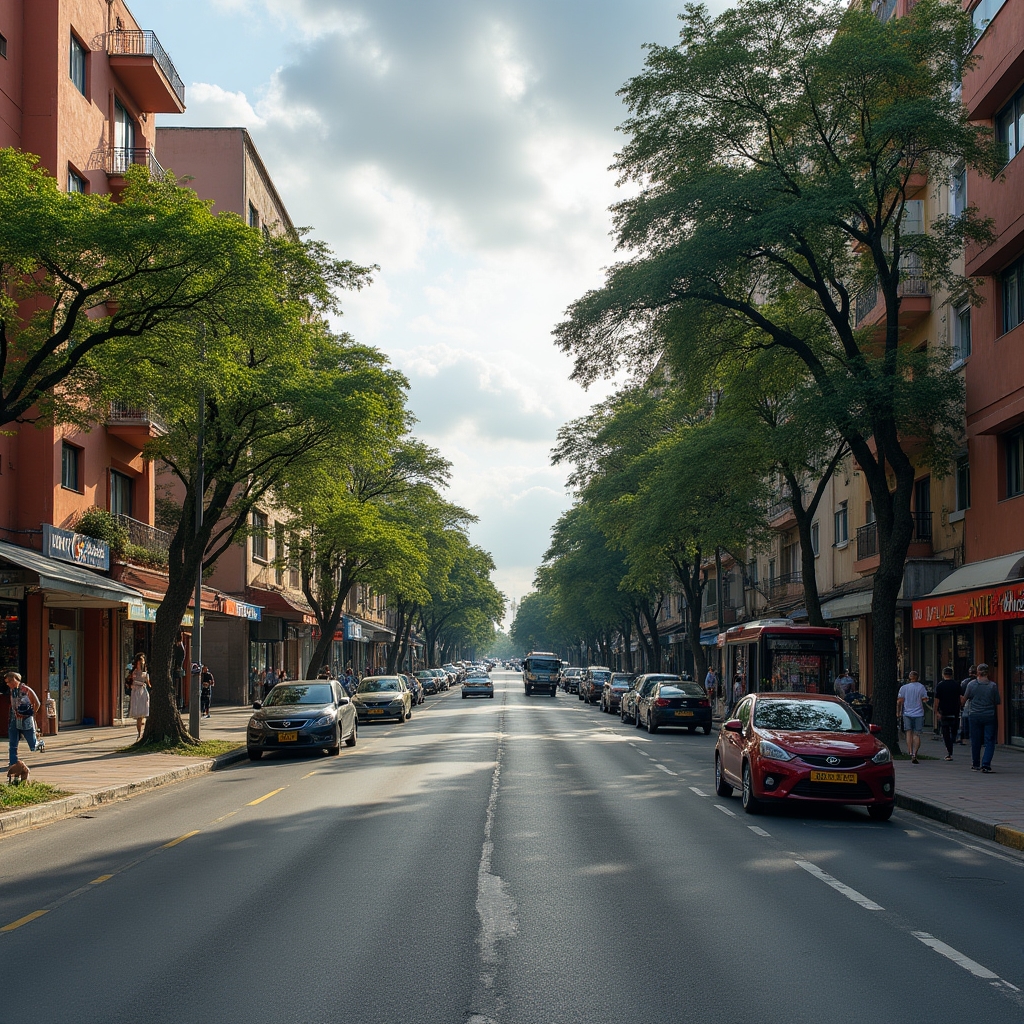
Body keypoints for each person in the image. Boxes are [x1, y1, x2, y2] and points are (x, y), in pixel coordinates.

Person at [963, 663, 1000, 773]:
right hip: (989, 715)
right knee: (990, 740)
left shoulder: (971, 685)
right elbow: (997, 701)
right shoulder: (992, 686)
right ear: (988, 672)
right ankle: (986, 764)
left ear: (977, 672)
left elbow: (965, 698)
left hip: (974, 715)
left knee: (975, 740)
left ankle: (975, 763)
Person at [6, 670, 43, 766]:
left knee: (33, 746)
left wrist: (32, 713)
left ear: (14, 680)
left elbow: (37, 703)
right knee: (13, 744)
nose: (8, 684)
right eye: (6, 682)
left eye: (9, 682)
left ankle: (40, 744)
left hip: (26, 719)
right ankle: (13, 763)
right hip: (14, 719)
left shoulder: (26, 689)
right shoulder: (12, 690)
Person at [896, 670, 929, 764]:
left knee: (908, 732)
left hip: (907, 713)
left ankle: (910, 751)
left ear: (909, 677)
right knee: (916, 734)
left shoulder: (904, 688)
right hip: (918, 713)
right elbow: (925, 699)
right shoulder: (921, 687)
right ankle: (915, 753)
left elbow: (899, 701)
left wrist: (898, 712)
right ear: (917, 677)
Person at [933, 666, 962, 761]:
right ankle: (952, 741)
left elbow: (937, 700)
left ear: (943, 674)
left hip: (944, 711)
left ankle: (949, 750)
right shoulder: (957, 685)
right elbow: (961, 698)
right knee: (954, 730)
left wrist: (936, 711)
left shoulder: (940, 685)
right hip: (955, 711)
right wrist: (960, 706)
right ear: (951, 675)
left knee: (945, 731)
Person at [127, 654, 151, 741]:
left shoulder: (145, 673)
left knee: (142, 713)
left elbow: (149, 684)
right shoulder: (133, 672)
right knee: (138, 716)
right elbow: (129, 681)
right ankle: (139, 733)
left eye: (142, 662)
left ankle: (141, 730)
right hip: (136, 693)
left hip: (143, 692)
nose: (141, 664)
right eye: (139, 662)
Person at [959, 665, 976, 745]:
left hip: (967, 703)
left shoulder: (965, 682)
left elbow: (961, 694)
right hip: (978, 705)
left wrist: (961, 703)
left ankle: (964, 737)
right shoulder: (981, 682)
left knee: (965, 719)